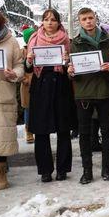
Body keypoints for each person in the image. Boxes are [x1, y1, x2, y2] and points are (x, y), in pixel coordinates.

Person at [68, 7, 109, 184]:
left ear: (95, 18)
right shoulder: (75, 42)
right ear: (80, 22)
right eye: (84, 19)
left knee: (106, 133)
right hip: (84, 93)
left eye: (90, 18)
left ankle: (106, 168)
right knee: (85, 134)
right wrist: (71, 71)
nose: (88, 21)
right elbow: (71, 67)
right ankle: (87, 171)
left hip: (105, 91)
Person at [25, 9, 74, 182]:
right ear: (42, 22)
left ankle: (62, 169)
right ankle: (45, 170)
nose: (50, 23)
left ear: (58, 22)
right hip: (40, 86)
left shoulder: (66, 39)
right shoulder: (34, 39)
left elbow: (70, 66)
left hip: (60, 85)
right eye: (46, 20)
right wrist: (29, 60)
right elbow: (28, 68)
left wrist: (67, 61)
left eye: (53, 20)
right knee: (41, 131)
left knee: (63, 129)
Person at [0, 7, 24, 190]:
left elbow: (20, 64)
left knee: (2, 135)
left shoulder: (10, 41)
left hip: (3, 94)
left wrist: (14, 74)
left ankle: (1, 171)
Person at [21, 26, 36, 144]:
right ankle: (28, 131)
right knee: (28, 109)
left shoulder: (39, 48)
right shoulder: (22, 51)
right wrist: (23, 78)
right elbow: (17, 66)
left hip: (39, 83)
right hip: (26, 85)